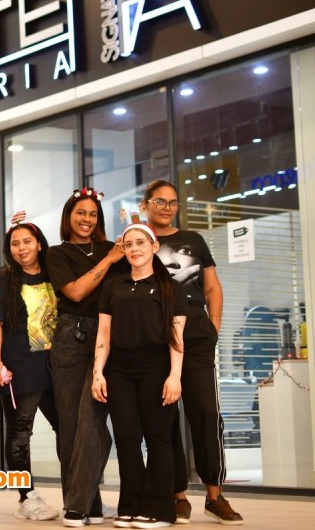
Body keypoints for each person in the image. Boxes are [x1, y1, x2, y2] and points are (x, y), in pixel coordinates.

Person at [142, 180, 243, 525]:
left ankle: (215, 496)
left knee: (206, 415)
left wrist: (213, 327)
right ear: (145, 204)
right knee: (164, 421)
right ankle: (177, 497)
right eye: (160, 201)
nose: (167, 208)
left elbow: (212, 287)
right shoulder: (138, 241)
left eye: (173, 202)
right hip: (156, 341)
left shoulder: (194, 240)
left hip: (197, 339)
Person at [92, 223, 187, 529]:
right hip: (119, 369)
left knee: (158, 438)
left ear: (154, 246)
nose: (134, 249)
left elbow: (176, 337)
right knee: (127, 439)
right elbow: (103, 333)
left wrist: (175, 376)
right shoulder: (113, 286)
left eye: (140, 243)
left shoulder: (171, 287)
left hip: (156, 368)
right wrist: (98, 373)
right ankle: (130, 506)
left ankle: (160, 510)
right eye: (129, 244)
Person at [45, 188, 126, 527]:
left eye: (93, 214)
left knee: (92, 418)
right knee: (71, 426)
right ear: (69, 216)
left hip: (109, 336)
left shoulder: (113, 248)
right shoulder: (57, 253)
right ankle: (85, 504)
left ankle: (77, 505)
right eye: (81, 212)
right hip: (71, 336)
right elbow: (75, 292)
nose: (87, 219)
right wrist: (110, 260)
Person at [0, 211, 60, 521]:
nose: (22, 248)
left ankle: (81, 494)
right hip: (21, 369)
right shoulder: (4, 279)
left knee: (68, 431)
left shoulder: (54, 273)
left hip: (58, 369)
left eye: (27, 241)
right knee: (20, 434)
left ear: (39, 243)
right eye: (15, 243)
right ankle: (26, 498)